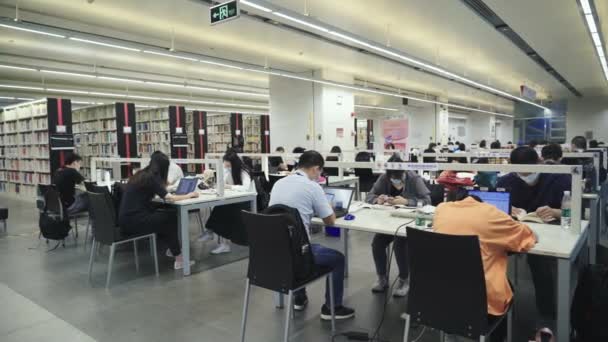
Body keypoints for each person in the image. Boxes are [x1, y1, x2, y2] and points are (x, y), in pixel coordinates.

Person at [434, 188, 537, 341]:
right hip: (482, 303)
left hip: (439, 296)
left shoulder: (441, 210)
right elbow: (527, 237)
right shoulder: (491, 213)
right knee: (509, 289)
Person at [269, 150, 355, 320]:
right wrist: (326, 206)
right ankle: (332, 308)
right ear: (316, 168)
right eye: (320, 172)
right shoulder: (312, 186)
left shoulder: (279, 183)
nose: (320, 176)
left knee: (297, 243)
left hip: (276, 253)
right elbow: (330, 222)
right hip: (299, 256)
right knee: (337, 258)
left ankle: (299, 298)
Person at [496, 147, 571, 331]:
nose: (525, 176)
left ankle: (547, 317)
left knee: (540, 263)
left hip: (547, 230)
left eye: (528, 171)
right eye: (520, 172)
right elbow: (494, 206)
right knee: (489, 254)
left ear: (538, 162)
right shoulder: (507, 180)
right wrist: (506, 208)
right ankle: (497, 305)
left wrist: (556, 212)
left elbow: (575, 212)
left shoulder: (559, 177)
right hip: (515, 228)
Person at [118, 151, 198, 270]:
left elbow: (158, 192)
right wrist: (190, 195)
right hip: (134, 222)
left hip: (126, 219)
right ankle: (179, 258)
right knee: (169, 218)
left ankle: (173, 249)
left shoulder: (142, 174)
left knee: (166, 214)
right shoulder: (151, 178)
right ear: (163, 167)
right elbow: (170, 198)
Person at [366, 155, 431, 297]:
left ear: (404, 172)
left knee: (400, 244)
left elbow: (427, 201)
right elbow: (369, 196)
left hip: (410, 221)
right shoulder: (384, 178)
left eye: (398, 176)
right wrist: (378, 199)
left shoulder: (414, 178)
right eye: (392, 177)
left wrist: (407, 202)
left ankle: (404, 280)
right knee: (377, 243)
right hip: (389, 221)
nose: (395, 180)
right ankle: (382, 278)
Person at [205, 150, 256, 254]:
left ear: (234, 163)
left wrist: (229, 186)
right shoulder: (227, 169)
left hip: (247, 200)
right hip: (234, 199)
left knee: (223, 210)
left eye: (228, 164)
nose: (226, 166)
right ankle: (214, 234)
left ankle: (214, 234)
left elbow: (245, 188)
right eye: (225, 164)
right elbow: (222, 182)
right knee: (221, 207)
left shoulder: (243, 171)